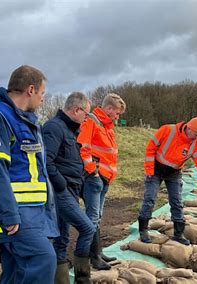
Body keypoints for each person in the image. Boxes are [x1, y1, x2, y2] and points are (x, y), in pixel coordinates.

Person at [0, 65, 58, 283]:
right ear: (31, 89)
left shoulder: (22, 119)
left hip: (28, 210)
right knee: (43, 258)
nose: (43, 99)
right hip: (16, 211)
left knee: (15, 269)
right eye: (43, 94)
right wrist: (9, 213)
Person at [43, 92, 96, 284]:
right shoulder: (54, 128)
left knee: (62, 239)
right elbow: (45, 161)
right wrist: (61, 184)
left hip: (70, 191)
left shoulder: (69, 129)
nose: (86, 118)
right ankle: (83, 278)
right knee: (87, 228)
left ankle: (61, 280)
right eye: (86, 114)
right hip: (61, 192)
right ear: (76, 110)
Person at [138, 116, 197, 245]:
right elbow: (150, 148)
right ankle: (143, 230)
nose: (196, 138)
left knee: (177, 202)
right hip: (156, 170)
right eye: (195, 135)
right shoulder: (167, 130)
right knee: (150, 198)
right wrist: (150, 171)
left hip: (174, 173)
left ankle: (178, 234)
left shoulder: (195, 144)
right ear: (189, 129)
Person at [77, 93, 126, 270]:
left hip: (104, 178)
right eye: (117, 113)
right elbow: (84, 148)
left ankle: (97, 252)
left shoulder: (108, 127)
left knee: (97, 216)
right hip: (95, 178)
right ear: (109, 108)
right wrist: (93, 173)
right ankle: (92, 257)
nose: (118, 117)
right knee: (91, 217)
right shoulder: (92, 122)